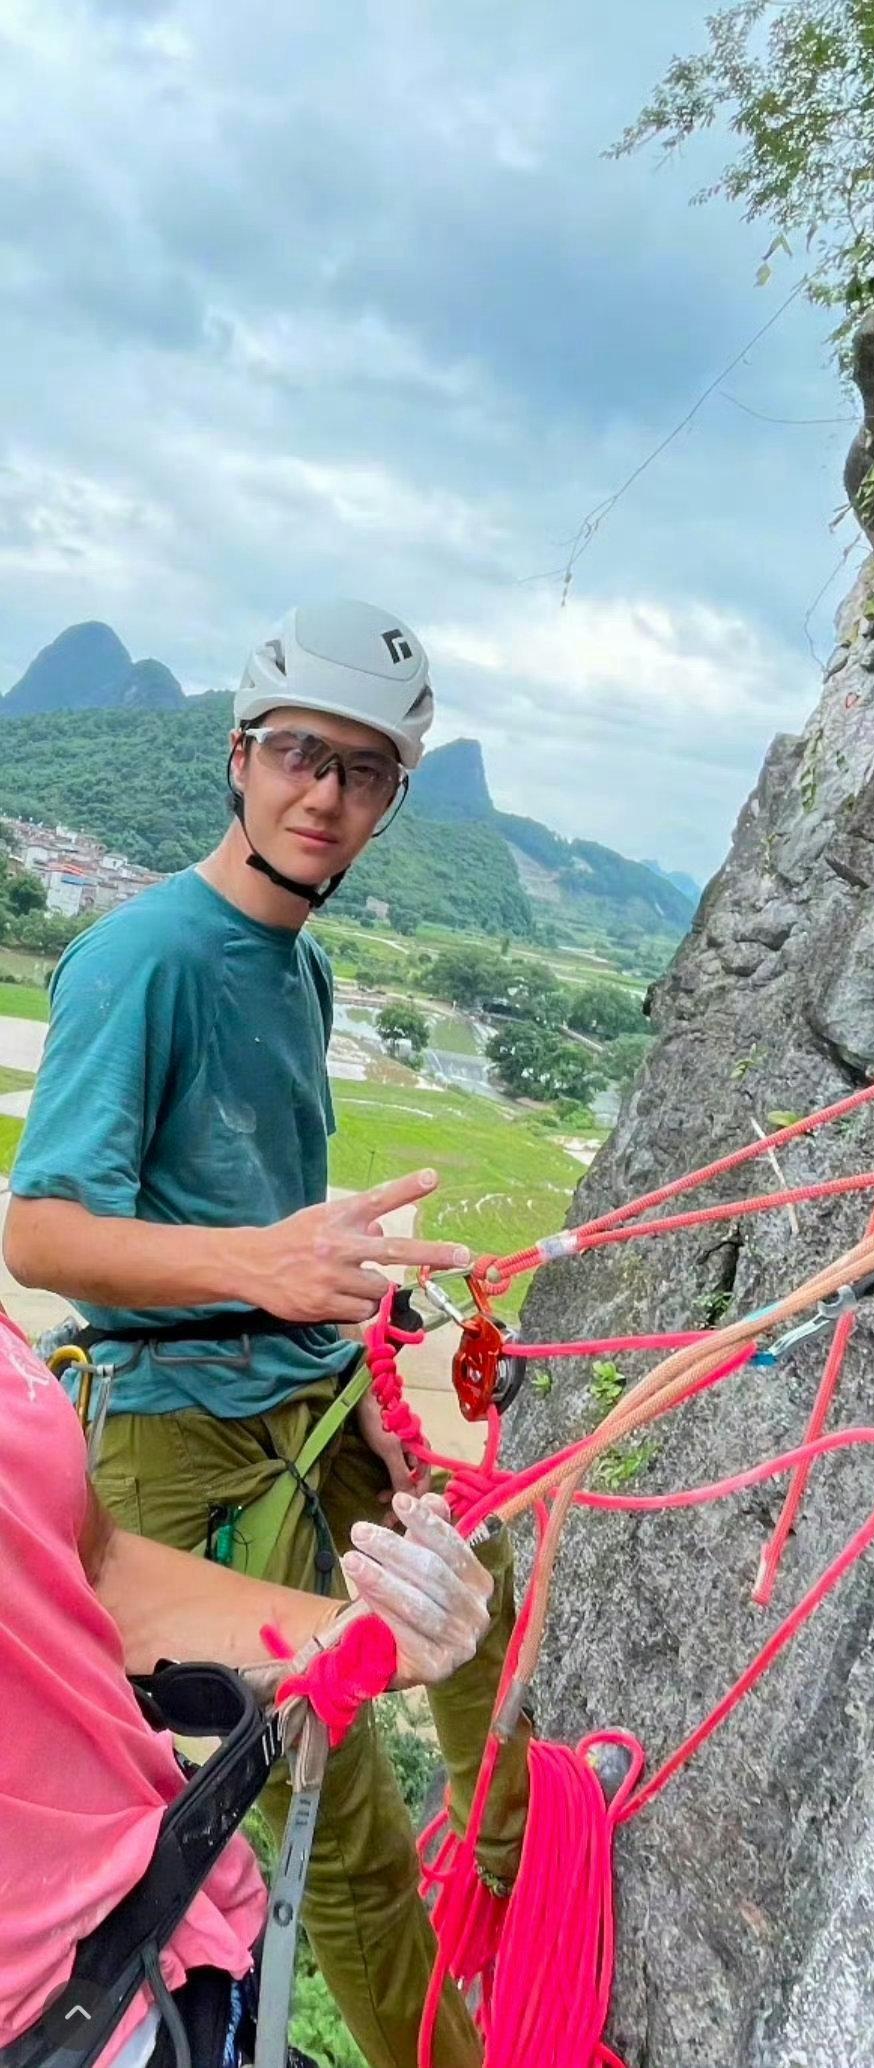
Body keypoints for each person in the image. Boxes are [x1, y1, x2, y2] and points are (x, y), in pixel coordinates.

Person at [3, 601, 530, 2068]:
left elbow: (278, 1250)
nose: (326, 796)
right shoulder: (144, 961)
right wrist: (272, 1266)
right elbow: (40, 1233)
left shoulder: (302, 972)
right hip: (185, 1446)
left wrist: (348, 1365)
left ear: (392, 801)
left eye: (366, 773)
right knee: (335, 1814)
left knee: (482, 1591)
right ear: (241, 760)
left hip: (306, 1399)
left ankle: (514, 1893)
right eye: (302, 756)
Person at [0, 1299, 495, 2065]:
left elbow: (93, 1567)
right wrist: (266, 1263)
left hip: (173, 1922)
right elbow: (47, 1230)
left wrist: (346, 1635)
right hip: (63, 2018)